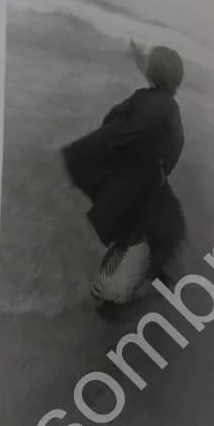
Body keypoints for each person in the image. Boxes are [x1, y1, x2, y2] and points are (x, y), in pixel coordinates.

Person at [63, 42, 187, 306]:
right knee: (164, 228)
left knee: (129, 230)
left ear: (152, 75)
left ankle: (106, 286)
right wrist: (166, 169)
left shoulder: (141, 97)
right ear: (176, 81)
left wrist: (116, 147)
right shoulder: (171, 108)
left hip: (124, 177)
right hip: (148, 179)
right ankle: (124, 288)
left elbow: (112, 119)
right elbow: (177, 142)